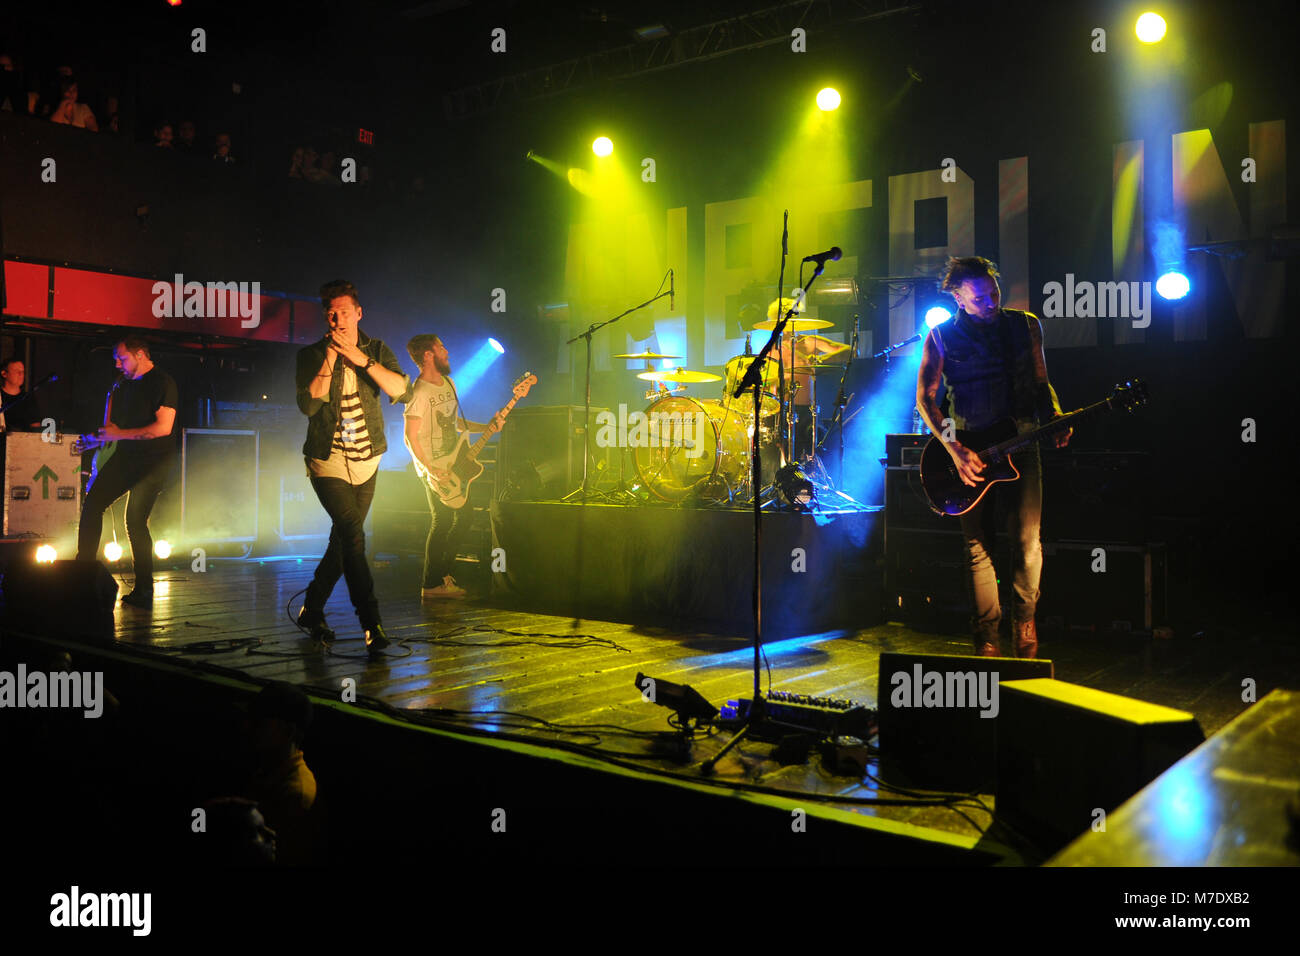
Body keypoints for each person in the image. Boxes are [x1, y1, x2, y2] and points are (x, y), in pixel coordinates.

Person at [915, 256, 1071, 658]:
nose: (990, 302)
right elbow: (926, 399)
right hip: (967, 448)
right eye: (980, 297)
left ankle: (1025, 622)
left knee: (1027, 540)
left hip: (1020, 440)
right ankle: (986, 634)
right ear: (958, 298)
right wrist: (954, 448)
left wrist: (1053, 416)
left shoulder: (1026, 325)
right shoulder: (940, 336)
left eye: (994, 293)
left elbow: (1041, 382)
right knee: (977, 546)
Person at [294, 280, 408, 655]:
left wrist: (361, 360)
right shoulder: (310, 354)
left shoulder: (376, 350)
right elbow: (310, 405)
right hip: (327, 459)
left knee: (342, 543)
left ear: (358, 313)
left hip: (368, 459)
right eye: (330, 311)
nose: (337, 317)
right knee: (353, 535)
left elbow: (400, 390)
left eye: (344, 310)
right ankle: (371, 623)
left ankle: (311, 608)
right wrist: (331, 356)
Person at [76, 336, 180, 607]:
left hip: (155, 461)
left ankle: (145, 590)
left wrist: (119, 434)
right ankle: (81, 574)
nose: (117, 363)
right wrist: (94, 439)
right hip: (127, 457)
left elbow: (163, 428)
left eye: (122, 358)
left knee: (134, 521)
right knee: (92, 505)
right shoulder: (121, 386)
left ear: (141, 354)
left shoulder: (163, 383)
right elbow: (114, 428)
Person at [403, 335, 502, 599]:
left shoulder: (449, 383)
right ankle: (432, 584)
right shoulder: (419, 392)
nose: (447, 352)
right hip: (434, 469)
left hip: (453, 462)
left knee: (462, 517)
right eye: (441, 347)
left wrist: (487, 427)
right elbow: (409, 435)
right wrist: (429, 468)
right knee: (442, 520)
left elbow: (455, 422)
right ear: (428, 355)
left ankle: (439, 578)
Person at [0, 358, 47, 431]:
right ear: (4, 374)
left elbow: (35, 426)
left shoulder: (28, 398)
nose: (21, 374)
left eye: (22, 371)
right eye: (16, 371)